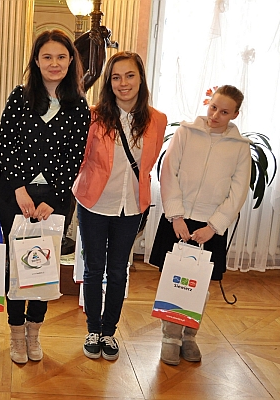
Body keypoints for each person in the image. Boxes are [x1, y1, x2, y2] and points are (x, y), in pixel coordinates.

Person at [0, 29, 90, 364]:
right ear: (36, 61)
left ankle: (34, 332)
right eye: (47, 57)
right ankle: (15, 333)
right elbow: (6, 146)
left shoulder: (79, 105)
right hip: (16, 195)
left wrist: (55, 197)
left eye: (61, 57)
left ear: (71, 61)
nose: (54, 63)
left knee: (42, 265)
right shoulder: (19, 97)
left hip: (55, 199)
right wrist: (20, 189)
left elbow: (75, 157)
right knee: (16, 264)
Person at [72, 51, 167, 361]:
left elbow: (148, 164)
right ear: (108, 82)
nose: (123, 83)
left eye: (129, 75)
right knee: (93, 269)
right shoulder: (93, 116)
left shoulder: (157, 120)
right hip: (94, 203)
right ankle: (93, 329)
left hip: (132, 207)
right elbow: (80, 160)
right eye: (116, 77)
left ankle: (109, 331)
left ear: (141, 79)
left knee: (117, 271)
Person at [149, 85, 251, 365]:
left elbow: (238, 191)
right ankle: (170, 337)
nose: (215, 115)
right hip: (179, 220)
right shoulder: (185, 132)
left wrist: (214, 226)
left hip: (209, 226)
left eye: (224, 112)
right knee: (173, 281)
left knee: (199, 285)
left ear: (235, 114)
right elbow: (169, 171)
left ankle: (189, 336)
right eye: (213, 107)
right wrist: (176, 216)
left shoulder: (241, 147)